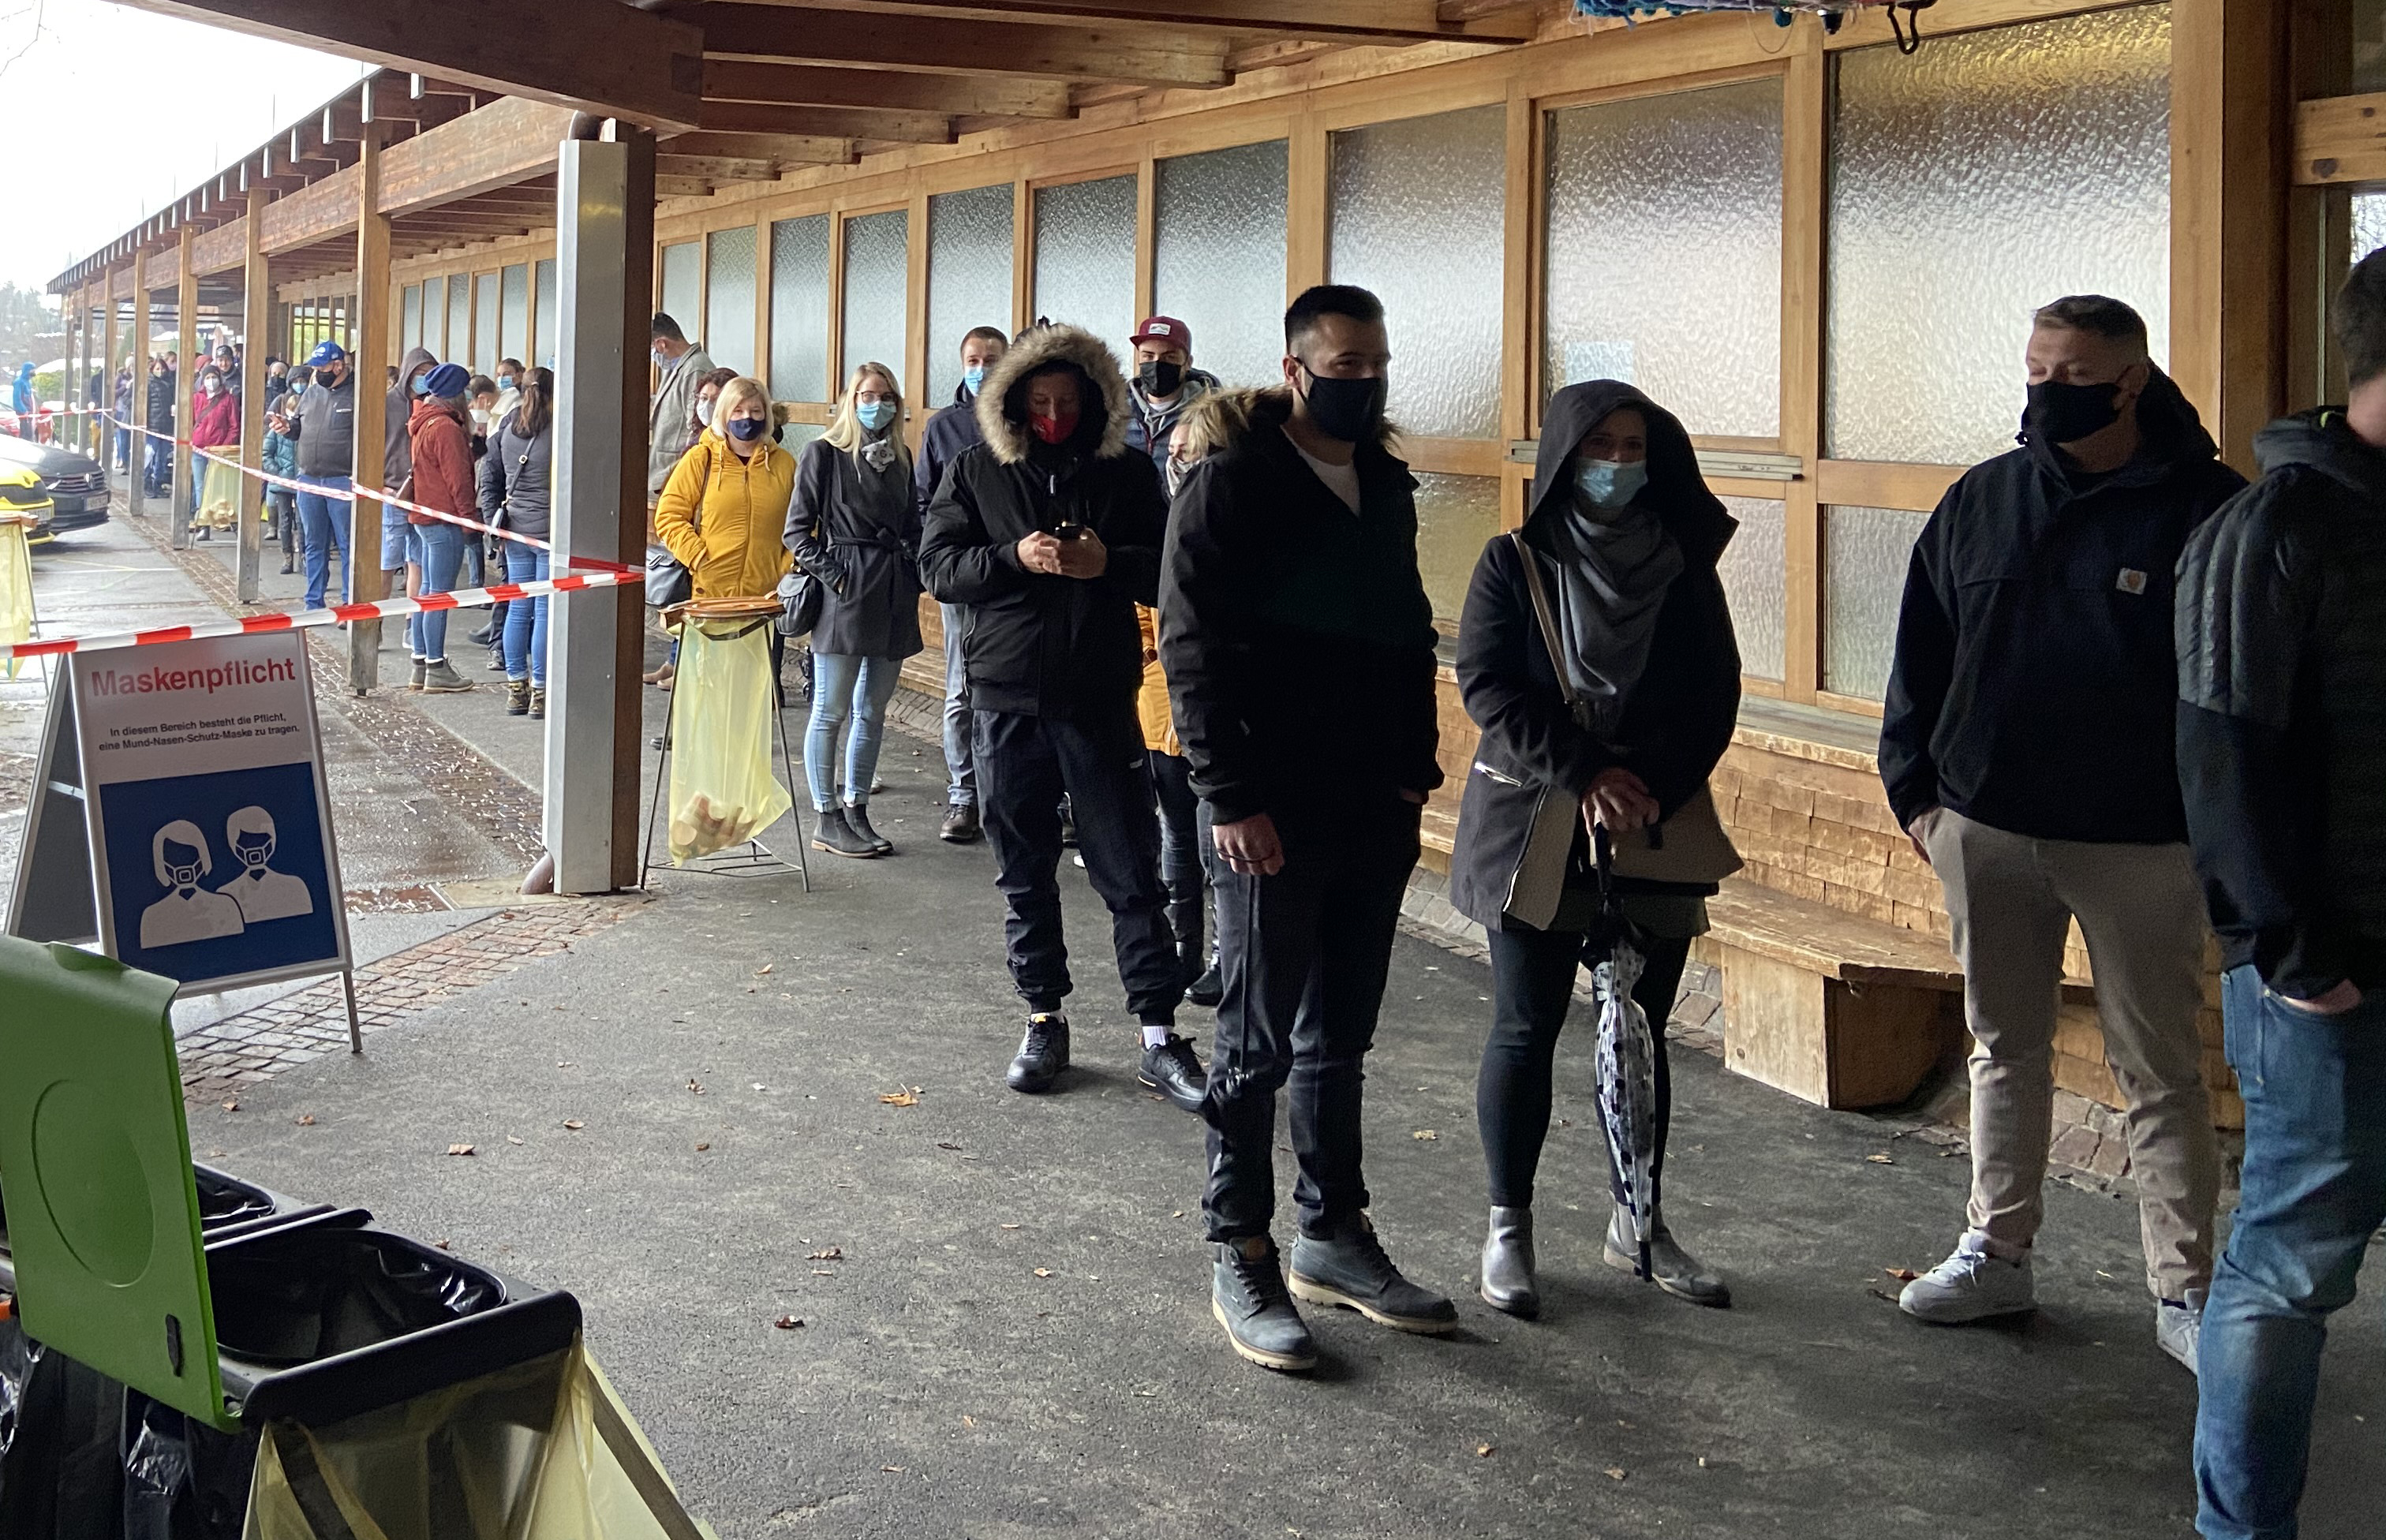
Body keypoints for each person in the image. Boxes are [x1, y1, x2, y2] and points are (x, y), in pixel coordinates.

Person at [1881, 295, 2244, 1368]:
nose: (2047, 392)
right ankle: (1997, 1252)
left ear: (2132, 383)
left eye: (2074, 376)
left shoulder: (2207, 508)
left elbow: (2237, 685)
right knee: (2004, 1047)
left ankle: (2186, 1291)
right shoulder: (1984, 498)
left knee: (2159, 1069)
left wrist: (2217, 828)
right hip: (1985, 828)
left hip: (2142, 845)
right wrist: (1917, 793)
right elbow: (1922, 648)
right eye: (2037, 370)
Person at [1160, 284, 1452, 1371]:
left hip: (1372, 801)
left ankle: (1332, 1232)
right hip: (1268, 809)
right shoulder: (1232, 483)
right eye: (1342, 365)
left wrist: (1415, 772)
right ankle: (1240, 1245)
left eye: (1376, 363)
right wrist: (1229, 795)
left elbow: (1406, 627)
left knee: (1341, 1035)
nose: (1363, 382)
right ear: (1295, 369)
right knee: (1256, 1040)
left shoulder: (1385, 481)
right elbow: (1189, 643)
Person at [1450, 380, 1743, 1321]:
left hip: (1653, 818)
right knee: (1526, 1024)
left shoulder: (1683, 567)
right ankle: (1509, 1224)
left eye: (1633, 447)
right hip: (1537, 816)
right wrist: (1586, 773)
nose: (1618, 463)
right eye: (1599, 446)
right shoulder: (1514, 562)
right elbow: (1489, 683)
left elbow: (1716, 688)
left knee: (1642, 1029)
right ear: (1565, 457)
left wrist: (1648, 780)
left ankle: (1639, 1216)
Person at [2180, 251, 2386, 1540]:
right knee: (2289, 1266)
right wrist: (2297, 957)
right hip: (2329, 977)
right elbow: (2222, 762)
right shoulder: (2271, 530)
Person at [919, 323, 1201, 1112]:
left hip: (1099, 696)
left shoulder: (1127, 473)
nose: (1053, 416)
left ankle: (1158, 1032)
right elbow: (936, 565)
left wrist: (1106, 563)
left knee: (1131, 868)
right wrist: (1014, 557)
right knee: (1024, 868)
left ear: (1094, 402)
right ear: (1012, 403)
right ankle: (1044, 1017)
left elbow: (1169, 568)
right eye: (1039, 403)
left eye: (1068, 403)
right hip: (1005, 697)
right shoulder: (975, 470)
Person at [784, 362, 924, 858]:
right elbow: (797, 531)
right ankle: (826, 816)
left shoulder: (902, 457)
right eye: (867, 395)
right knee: (830, 711)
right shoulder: (823, 452)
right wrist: (838, 576)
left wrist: (914, 567)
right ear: (850, 399)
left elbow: (913, 524)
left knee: (873, 711)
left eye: (886, 396)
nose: (877, 404)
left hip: (893, 592)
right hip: (845, 593)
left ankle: (857, 807)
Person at [1144, 413, 1229, 1007]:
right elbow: (1138, 614)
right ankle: (1185, 947)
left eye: (1190, 452)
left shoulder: (1228, 526)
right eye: (1173, 452)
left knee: (1213, 843)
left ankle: (1227, 953)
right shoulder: (1157, 525)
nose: (1179, 463)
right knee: (1175, 835)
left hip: (1213, 714)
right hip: (1159, 710)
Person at [914, 325, 1009, 844]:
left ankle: (1028, 796)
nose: (981, 368)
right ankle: (963, 795)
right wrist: (939, 561)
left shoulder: (1021, 420)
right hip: (962, 578)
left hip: (1015, 575)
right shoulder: (943, 427)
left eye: (991, 359)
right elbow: (924, 500)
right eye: (973, 360)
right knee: (961, 688)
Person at [653, 373, 796, 607]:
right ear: (724, 414)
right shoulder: (701, 459)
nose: (747, 418)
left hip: (765, 600)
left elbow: (805, 523)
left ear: (766, 415)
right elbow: (669, 516)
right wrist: (698, 558)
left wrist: (785, 568)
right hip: (708, 599)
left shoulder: (785, 465)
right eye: (737, 411)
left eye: (755, 411)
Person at [481, 366, 555, 720]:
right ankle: (540, 690)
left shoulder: (507, 428)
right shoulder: (559, 431)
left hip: (515, 532)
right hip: (549, 534)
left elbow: (490, 478)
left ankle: (516, 689)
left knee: (517, 608)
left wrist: (492, 523)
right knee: (544, 611)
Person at [403, 362, 478, 693]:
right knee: (439, 596)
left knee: (426, 593)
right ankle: (436, 667)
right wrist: (469, 521)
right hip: (444, 519)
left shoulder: (423, 421)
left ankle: (421, 663)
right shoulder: (446, 428)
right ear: (455, 393)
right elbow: (458, 480)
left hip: (425, 516)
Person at [281, 341, 356, 609]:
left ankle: (349, 602)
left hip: (342, 479)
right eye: (314, 368)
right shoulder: (311, 394)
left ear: (338, 365)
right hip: (309, 479)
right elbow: (298, 427)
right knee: (313, 543)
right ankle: (313, 602)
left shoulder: (357, 395)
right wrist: (287, 428)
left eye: (321, 367)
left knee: (348, 545)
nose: (317, 373)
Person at [1122, 315, 1217, 474]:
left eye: (1169, 357)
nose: (1157, 363)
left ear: (1188, 363)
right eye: (1148, 356)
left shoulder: (1211, 416)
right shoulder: (1117, 412)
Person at [386, 346, 437, 634]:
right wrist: (378, 483)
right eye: (420, 373)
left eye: (430, 373)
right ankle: (373, 622)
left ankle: (412, 624)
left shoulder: (435, 404)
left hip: (423, 495)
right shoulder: (386, 403)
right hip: (391, 491)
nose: (424, 378)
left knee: (417, 562)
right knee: (387, 561)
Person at [647, 313, 715, 499]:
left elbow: (697, 426)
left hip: (676, 472)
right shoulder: (678, 367)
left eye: (652, 349)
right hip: (664, 472)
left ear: (661, 344)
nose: (654, 357)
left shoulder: (696, 369)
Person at [186, 363, 240, 540]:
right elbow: (189, 421)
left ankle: (229, 521)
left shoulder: (228, 399)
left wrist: (224, 447)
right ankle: (203, 525)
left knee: (222, 487)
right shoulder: (196, 398)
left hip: (219, 451)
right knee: (201, 487)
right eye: (208, 378)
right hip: (199, 449)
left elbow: (234, 426)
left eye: (214, 377)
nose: (211, 381)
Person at [262, 368, 304, 575]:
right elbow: (266, 453)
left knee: (303, 522)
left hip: (303, 481)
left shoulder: (306, 429)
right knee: (285, 521)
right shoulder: (277, 430)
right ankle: (287, 557)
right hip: (283, 481)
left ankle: (303, 557)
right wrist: (276, 472)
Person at [144, 356, 175, 497]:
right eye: (157, 368)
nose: (160, 371)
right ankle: (146, 485)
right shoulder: (149, 384)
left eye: (162, 368)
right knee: (149, 457)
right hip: (152, 427)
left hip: (167, 426)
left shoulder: (171, 383)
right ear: (152, 369)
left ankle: (158, 485)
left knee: (162, 459)